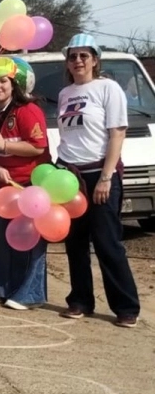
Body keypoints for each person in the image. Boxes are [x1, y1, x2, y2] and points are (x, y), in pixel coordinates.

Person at [57, 34, 140, 328]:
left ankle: (126, 306)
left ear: (95, 60)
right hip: (70, 176)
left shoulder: (108, 88)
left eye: (84, 55)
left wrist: (106, 177)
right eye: (73, 56)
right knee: (75, 242)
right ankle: (80, 300)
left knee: (107, 243)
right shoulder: (66, 93)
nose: (78, 61)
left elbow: (117, 133)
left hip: (100, 173)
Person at [0, 58, 51, 310]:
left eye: (2, 81)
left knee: (26, 240)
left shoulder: (27, 110)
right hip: (2, 187)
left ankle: (28, 293)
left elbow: (38, 146)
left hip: (27, 186)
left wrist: (5, 145)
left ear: (14, 84)